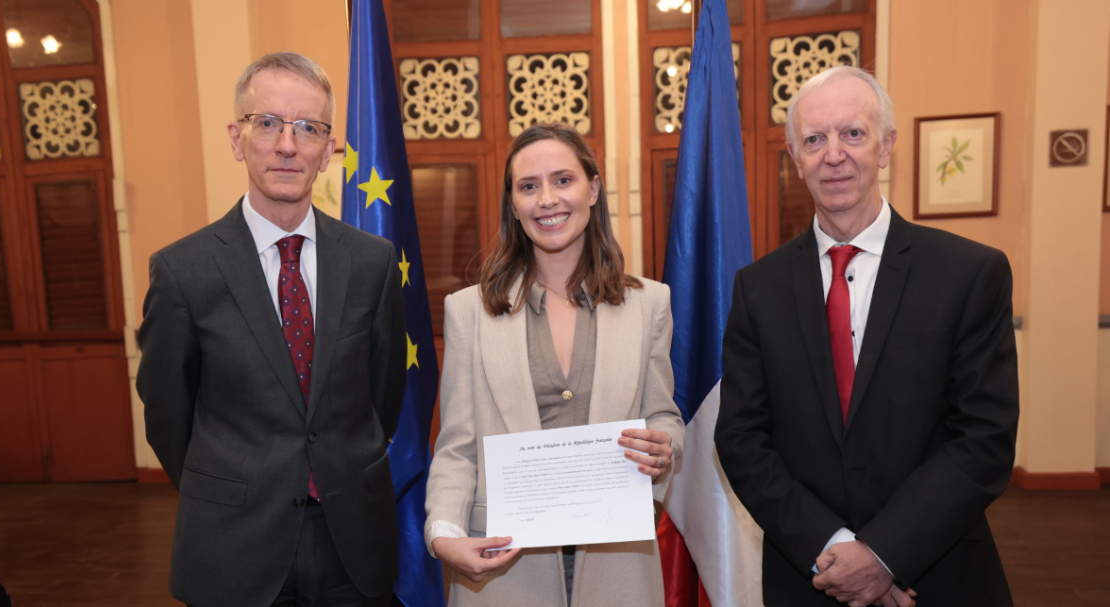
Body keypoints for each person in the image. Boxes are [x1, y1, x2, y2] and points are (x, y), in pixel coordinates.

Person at [715, 66, 1017, 607]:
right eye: (814, 139)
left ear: (886, 146)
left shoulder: (969, 273)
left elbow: (984, 438)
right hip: (810, 576)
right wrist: (835, 548)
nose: (834, 154)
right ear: (794, 156)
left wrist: (883, 555)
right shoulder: (756, 289)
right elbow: (741, 441)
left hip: (936, 573)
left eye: (853, 133)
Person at [137, 52, 406, 607]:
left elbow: (383, 399)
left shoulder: (372, 263)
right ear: (237, 139)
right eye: (268, 123)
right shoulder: (183, 270)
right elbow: (167, 412)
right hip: (233, 544)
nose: (288, 145)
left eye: (308, 127)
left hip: (350, 541)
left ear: (328, 151)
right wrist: (229, 486)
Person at [424, 123, 685, 606]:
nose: (547, 199)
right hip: (502, 575)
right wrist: (443, 533)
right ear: (513, 204)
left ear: (593, 189)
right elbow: (456, 448)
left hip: (619, 569)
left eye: (563, 180)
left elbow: (663, 415)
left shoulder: (650, 304)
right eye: (529, 186)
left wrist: (665, 446)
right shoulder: (468, 312)